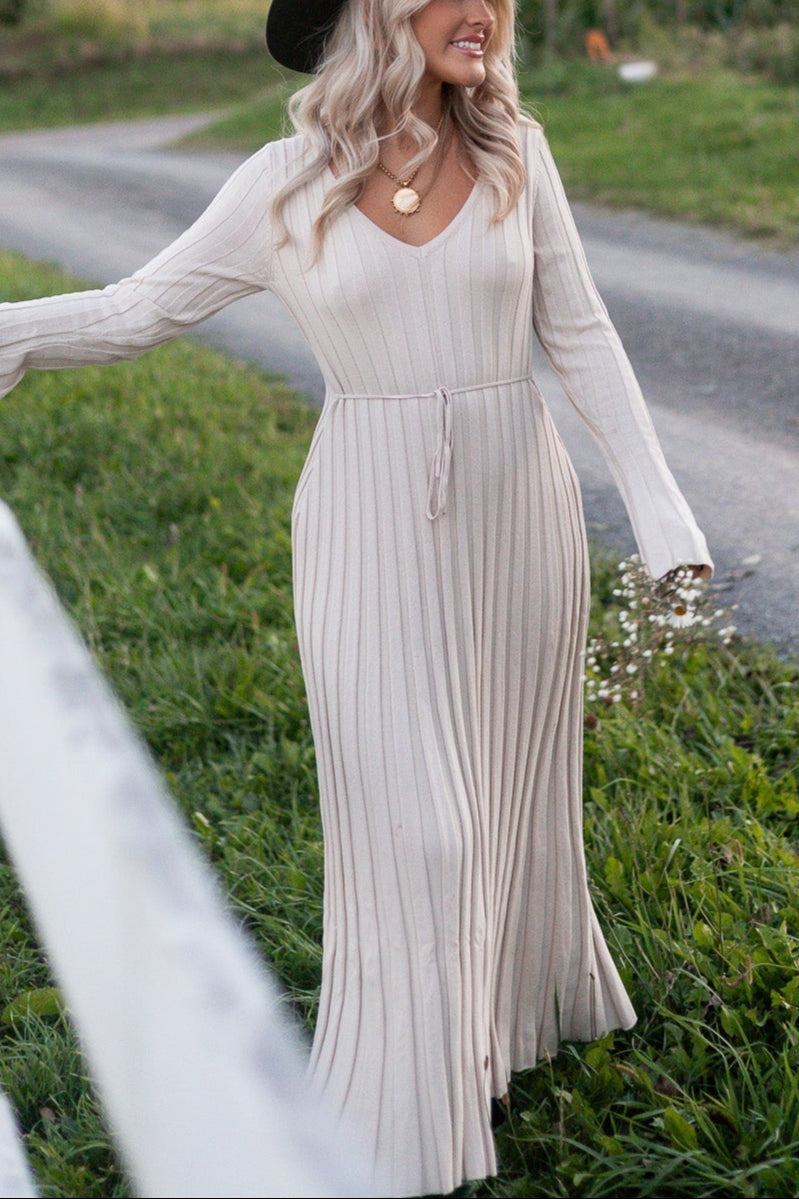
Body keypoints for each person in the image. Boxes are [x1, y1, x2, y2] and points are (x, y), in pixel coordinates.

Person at [0, 1, 712, 1194]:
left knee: (508, 801)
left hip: (520, 526)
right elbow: (136, 310)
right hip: (365, 529)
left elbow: (580, 332)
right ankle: (401, 1124)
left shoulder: (518, 153)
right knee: (420, 830)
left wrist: (659, 509)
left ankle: (507, 1027)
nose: (485, 10)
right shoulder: (280, 185)